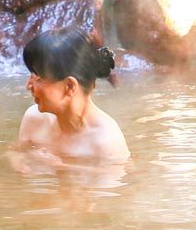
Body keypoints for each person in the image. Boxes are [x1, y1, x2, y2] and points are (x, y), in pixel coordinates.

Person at [15, 30, 130, 164]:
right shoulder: (33, 119)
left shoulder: (106, 141)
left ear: (69, 86)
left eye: (38, 78)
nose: (28, 85)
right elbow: (17, 155)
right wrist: (16, 159)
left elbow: (115, 178)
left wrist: (59, 166)